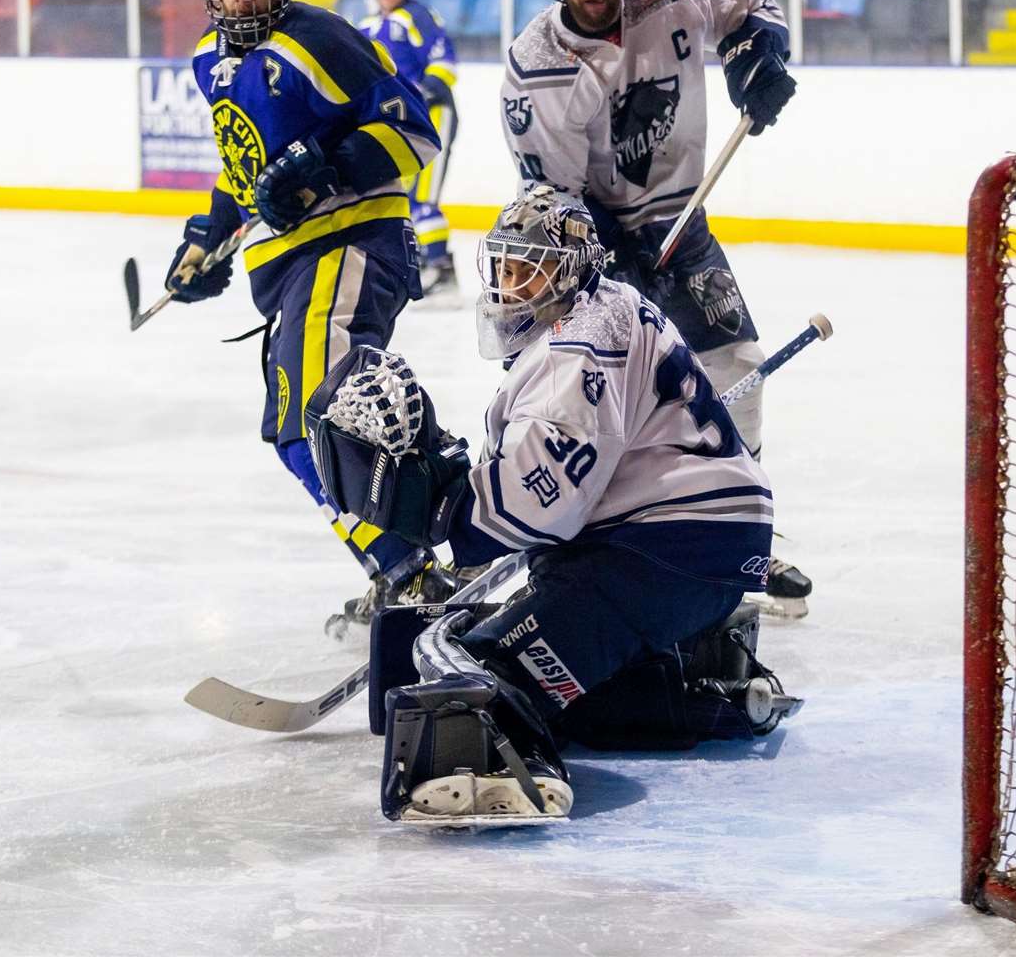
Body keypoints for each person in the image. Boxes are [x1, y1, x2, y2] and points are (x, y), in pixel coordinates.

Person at [303, 187, 799, 824]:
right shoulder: (603, 309)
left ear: (567, 270)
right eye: (503, 267)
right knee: (573, 680)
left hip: (663, 548)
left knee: (480, 665)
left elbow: (540, 510)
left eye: (526, 268)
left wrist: (444, 510)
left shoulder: (579, 345)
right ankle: (701, 688)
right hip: (699, 544)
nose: (509, 285)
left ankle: (505, 770)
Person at [499, 0, 812, 615]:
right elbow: (553, 195)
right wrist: (607, 260)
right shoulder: (537, 66)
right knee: (586, 397)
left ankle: (742, 539)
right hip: (585, 246)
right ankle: (576, 535)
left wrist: (755, 58)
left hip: (680, 223)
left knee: (737, 372)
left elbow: (752, 6)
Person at [163, 0, 443, 606]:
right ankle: (428, 550)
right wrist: (210, 235)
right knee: (302, 431)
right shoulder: (206, 60)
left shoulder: (318, 39)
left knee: (310, 419)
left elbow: (414, 134)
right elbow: (246, 169)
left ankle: (409, 572)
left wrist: (327, 165)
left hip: (351, 244)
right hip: (291, 266)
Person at [353, 0, 461, 301]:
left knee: (422, 200)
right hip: (396, 126)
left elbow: (445, 65)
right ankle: (417, 266)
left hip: (432, 119)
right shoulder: (367, 26)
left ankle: (442, 271)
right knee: (400, 199)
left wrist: (419, 96)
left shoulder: (418, 17)